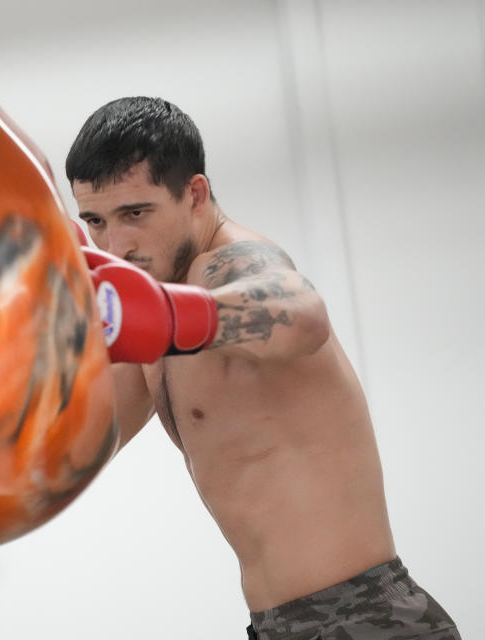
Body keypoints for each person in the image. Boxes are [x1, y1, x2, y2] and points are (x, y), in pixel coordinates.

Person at [65, 96, 461, 640]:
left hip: (367, 618)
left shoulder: (233, 264)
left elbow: (302, 316)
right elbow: (77, 446)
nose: (116, 244)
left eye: (135, 213)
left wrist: (164, 317)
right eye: (94, 221)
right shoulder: (153, 316)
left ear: (195, 194)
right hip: (280, 626)